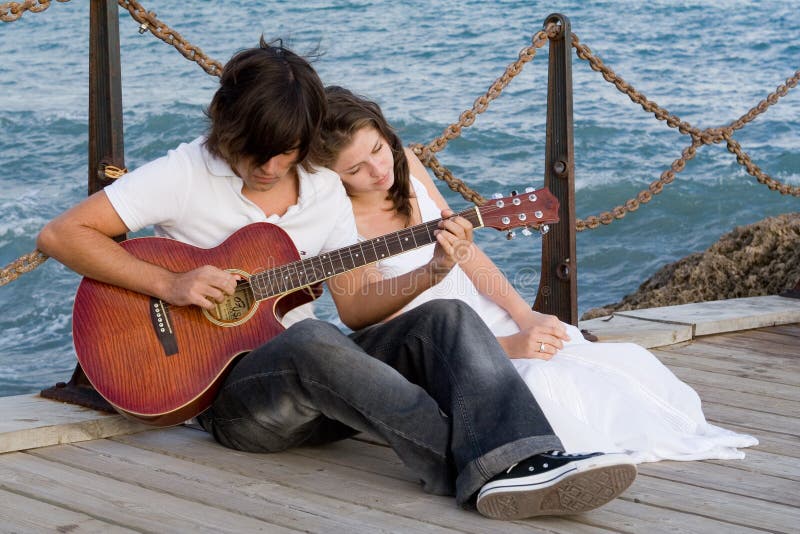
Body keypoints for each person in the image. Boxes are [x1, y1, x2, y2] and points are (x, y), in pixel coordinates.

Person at [36, 39, 637, 520]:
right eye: (258, 154)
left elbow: (355, 310)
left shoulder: (323, 187)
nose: (273, 168)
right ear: (227, 129)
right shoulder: (186, 173)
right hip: (235, 403)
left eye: (288, 152)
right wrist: (170, 285)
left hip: (325, 396)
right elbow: (62, 235)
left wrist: (433, 270)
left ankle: (530, 457)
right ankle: (476, 472)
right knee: (308, 341)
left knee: (444, 317)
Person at [315, 85, 758, 463]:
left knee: (613, 363)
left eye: (377, 149)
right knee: (544, 388)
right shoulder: (337, 214)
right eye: (355, 169)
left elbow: (466, 253)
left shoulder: (407, 163)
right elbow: (369, 318)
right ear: (331, 176)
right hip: (434, 348)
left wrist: (524, 317)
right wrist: (503, 347)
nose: (378, 170)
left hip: (484, 313)